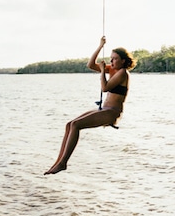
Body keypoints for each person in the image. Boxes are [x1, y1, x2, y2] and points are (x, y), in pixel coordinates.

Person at [45, 36, 136, 175]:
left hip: (112, 112)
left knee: (76, 125)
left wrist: (101, 71)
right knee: (70, 124)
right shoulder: (112, 69)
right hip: (105, 109)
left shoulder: (123, 73)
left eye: (115, 58)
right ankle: (58, 161)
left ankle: (63, 163)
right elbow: (90, 64)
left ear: (123, 60)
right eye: (111, 58)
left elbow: (105, 88)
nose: (111, 61)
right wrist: (100, 46)